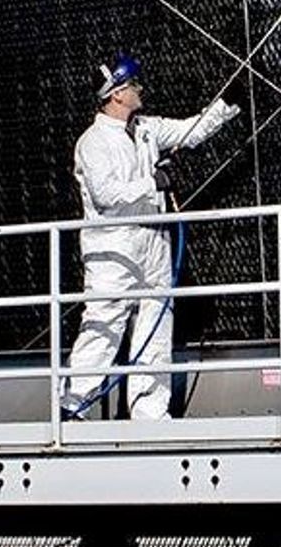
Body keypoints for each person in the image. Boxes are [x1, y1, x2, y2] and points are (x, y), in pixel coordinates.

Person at [61, 54, 240, 420]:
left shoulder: (146, 129)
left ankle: (150, 414)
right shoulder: (93, 142)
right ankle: (74, 405)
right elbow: (105, 194)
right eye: (133, 85)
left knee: (156, 329)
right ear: (116, 94)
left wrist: (226, 104)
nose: (140, 89)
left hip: (153, 246)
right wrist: (152, 184)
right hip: (113, 250)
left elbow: (190, 130)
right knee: (104, 324)